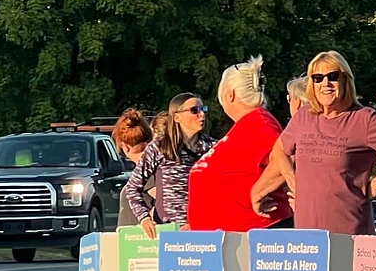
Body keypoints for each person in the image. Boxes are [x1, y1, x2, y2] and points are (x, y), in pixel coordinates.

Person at [250, 50, 376, 235]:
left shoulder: (364, 119)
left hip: (349, 232)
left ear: (345, 80)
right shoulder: (304, 116)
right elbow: (280, 150)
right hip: (306, 235)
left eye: (333, 77)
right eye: (318, 78)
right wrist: (292, 179)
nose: (325, 84)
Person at [187, 56, 292, 231]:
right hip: (229, 239)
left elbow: (287, 156)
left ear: (230, 94)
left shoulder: (259, 124)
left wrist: (258, 191)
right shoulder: (244, 127)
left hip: (254, 237)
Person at [125, 93, 214, 238]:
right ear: (177, 117)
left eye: (203, 109)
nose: (201, 114)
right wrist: (144, 218)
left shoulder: (214, 148)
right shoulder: (158, 147)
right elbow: (132, 187)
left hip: (204, 230)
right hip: (168, 230)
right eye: (194, 110)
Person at [112, 109, 156, 227]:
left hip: (143, 242)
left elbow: (167, 200)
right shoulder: (153, 166)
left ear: (124, 146)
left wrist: (149, 218)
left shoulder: (149, 170)